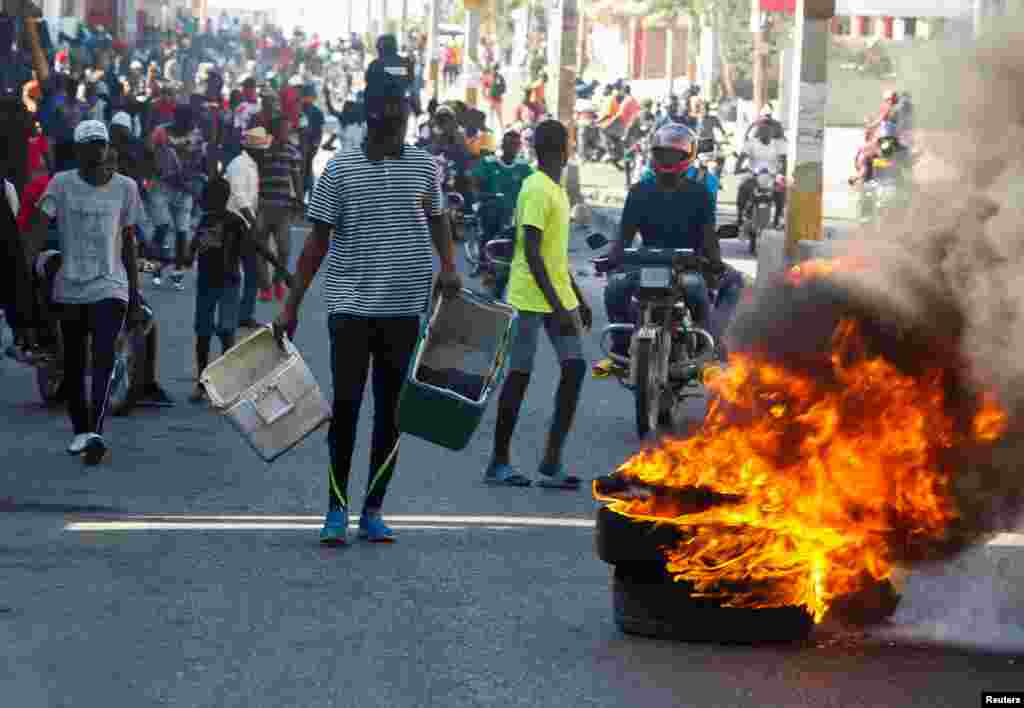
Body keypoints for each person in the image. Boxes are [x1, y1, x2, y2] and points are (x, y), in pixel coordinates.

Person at [275, 75, 462, 546]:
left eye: (403, 121)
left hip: (404, 310)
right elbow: (316, 243)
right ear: (372, 123)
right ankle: (336, 510)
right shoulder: (339, 170)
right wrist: (291, 305)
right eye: (392, 122)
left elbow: (438, 220)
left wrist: (449, 266)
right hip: (351, 309)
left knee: (392, 414)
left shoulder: (424, 167)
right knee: (347, 408)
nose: (399, 130)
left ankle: (373, 510)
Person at [485, 119, 590, 489]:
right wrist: (560, 307)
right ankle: (498, 461)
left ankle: (551, 460)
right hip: (529, 298)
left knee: (575, 367)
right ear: (562, 149)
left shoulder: (557, 191)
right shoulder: (535, 187)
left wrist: (574, 297)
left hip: (557, 295)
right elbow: (530, 252)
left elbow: (554, 256)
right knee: (519, 375)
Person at [38, 120, 143, 465]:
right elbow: (39, 228)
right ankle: (81, 430)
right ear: (78, 150)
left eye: (102, 144)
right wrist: (34, 272)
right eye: (90, 145)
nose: (97, 151)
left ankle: (95, 433)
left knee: (102, 359)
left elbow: (128, 242)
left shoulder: (126, 188)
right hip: (68, 287)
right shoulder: (61, 184)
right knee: (72, 366)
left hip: (111, 286)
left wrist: (136, 293)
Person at [601, 124, 741, 365]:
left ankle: (621, 347)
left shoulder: (638, 191)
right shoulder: (700, 193)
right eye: (665, 153)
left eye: (672, 154)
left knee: (614, 290)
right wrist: (715, 264)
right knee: (729, 284)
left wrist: (612, 259)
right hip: (686, 269)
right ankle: (708, 348)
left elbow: (623, 239)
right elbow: (708, 239)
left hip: (644, 265)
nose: (668, 158)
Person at [187, 176, 290, 403]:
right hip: (207, 284)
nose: (204, 202)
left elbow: (257, 248)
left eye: (207, 198)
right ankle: (202, 384)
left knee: (225, 332)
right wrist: (187, 254)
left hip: (228, 284)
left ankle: (223, 386)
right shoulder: (205, 221)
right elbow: (192, 248)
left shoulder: (235, 222)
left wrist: (281, 270)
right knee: (203, 333)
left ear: (216, 199)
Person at [256, 116, 302, 303]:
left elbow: (297, 177)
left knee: (284, 249)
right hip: (262, 206)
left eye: (288, 129)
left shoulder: (293, 151)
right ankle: (265, 287)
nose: (287, 133)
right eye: (284, 129)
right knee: (261, 249)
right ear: (274, 131)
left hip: (283, 208)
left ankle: (278, 281)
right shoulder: (261, 150)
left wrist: (299, 199)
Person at [469, 128, 532, 243]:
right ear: (502, 145)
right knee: (488, 235)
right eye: (510, 144)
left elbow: (533, 185)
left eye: (516, 144)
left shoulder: (523, 166)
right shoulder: (489, 162)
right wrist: (477, 200)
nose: (513, 147)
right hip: (492, 211)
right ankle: (484, 257)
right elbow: (474, 180)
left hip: (515, 213)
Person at [735, 123, 787, 230]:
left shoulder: (778, 145)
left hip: (772, 175)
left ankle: (777, 219)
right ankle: (740, 216)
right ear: (759, 132)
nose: (766, 133)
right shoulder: (751, 143)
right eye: (763, 130)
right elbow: (741, 158)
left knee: (781, 191)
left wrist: (781, 173)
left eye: (769, 131)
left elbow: (783, 161)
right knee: (744, 188)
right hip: (753, 174)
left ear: (772, 133)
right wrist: (738, 168)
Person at [300, 82, 325, 198]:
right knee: (303, 170)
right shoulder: (299, 110)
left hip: (309, 146)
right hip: (300, 145)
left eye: (308, 96)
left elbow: (319, 132)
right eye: (305, 96)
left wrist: (315, 146)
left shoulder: (317, 112)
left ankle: (309, 195)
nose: (306, 99)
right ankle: (305, 194)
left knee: (307, 168)